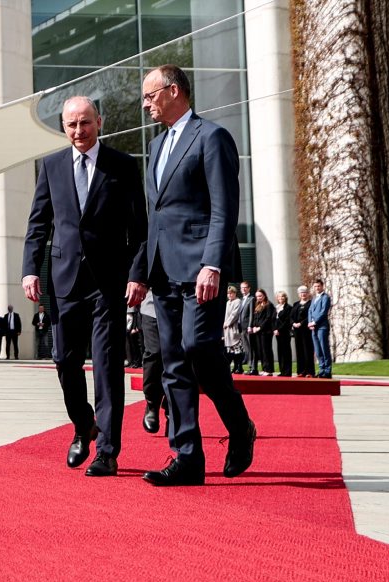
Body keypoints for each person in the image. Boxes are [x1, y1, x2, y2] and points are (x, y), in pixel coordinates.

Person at [140, 64, 256, 486]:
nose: (146, 104)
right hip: (163, 271)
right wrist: (140, 271)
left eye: (151, 95)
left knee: (199, 348)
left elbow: (224, 207)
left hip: (201, 268)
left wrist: (213, 263)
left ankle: (239, 426)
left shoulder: (211, 137)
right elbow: (155, 216)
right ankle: (187, 457)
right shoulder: (156, 146)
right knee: (173, 361)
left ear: (174, 90)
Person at [22, 95, 148, 477]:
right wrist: (30, 270)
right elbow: (38, 224)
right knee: (64, 361)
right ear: (64, 127)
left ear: (99, 122)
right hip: (63, 283)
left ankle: (107, 451)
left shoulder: (122, 166)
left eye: (85, 122)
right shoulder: (51, 166)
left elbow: (139, 230)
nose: (79, 130)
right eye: (72, 124)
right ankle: (83, 426)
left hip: (108, 285)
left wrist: (137, 274)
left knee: (107, 367)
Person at [138, 290, 165, 434]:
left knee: (178, 355)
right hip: (152, 303)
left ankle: (172, 407)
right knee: (154, 352)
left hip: (183, 302)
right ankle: (152, 402)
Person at [308, 279, 333, 378]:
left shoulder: (325, 297)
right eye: (315, 286)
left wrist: (315, 322)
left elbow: (323, 312)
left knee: (324, 348)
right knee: (318, 350)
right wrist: (310, 322)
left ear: (322, 286)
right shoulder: (314, 298)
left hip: (322, 327)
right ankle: (322, 369)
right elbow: (310, 311)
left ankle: (327, 371)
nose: (317, 288)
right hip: (313, 327)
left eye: (318, 286)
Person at [248, 289, 275, 376]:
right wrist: (254, 326)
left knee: (266, 350)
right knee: (261, 350)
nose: (258, 298)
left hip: (266, 332)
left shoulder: (269, 305)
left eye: (260, 296)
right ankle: (264, 368)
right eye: (257, 296)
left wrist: (260, 327)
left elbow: (268, 318)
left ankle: (269, 369)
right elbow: (256, 318)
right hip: (258, 332)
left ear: (264, 295)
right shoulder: (258, 305)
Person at [291, 286, 315, 377]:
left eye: (304, 292)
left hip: (306, 330)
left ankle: (309, 371)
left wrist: (301, 323)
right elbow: (291, 316)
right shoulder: (295, 304)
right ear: (298, 294)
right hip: (297, 330)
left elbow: (310, 316)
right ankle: (301, 371)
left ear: (307, 293)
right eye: (301, 293)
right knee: (299, 350)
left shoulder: (311, 303)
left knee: (307, 350)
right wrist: (293, 323)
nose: (303, 294)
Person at [223, 285, 244, 375]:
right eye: (228, 293)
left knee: (237, 348)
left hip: (234, 327)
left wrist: (227, 323)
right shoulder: (228, 303)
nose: (229, 295)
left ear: (235, 293)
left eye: (231, 293)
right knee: (230, 350)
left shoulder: (237, 301)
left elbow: (234, 314)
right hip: (227, 329)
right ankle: (235, 366)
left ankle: (239, 366)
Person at [273, 290, 293, 377]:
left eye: (282, 296)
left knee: (286, 351)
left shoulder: (288, 308)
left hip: (284, 332)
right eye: (279, 296)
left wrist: (279, 329)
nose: (280, 298)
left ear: (285, 298)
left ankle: (287, 371)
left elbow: (287, 321)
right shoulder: (276, 307)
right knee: (280, 351)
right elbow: (273, 320)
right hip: (277, 333)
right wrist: (274, 329)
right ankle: (282, 370)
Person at [238, 280, 254, 374]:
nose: (243, 289)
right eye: (242, 288)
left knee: (251, 347)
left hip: (247, 327)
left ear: (249, 289)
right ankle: (249, 366)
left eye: (245, 288)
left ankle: (252, 367)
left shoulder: (251, 299)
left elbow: (251, 314)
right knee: (246, 348)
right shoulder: (241, 300)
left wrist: (250, 326)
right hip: (241, 327)